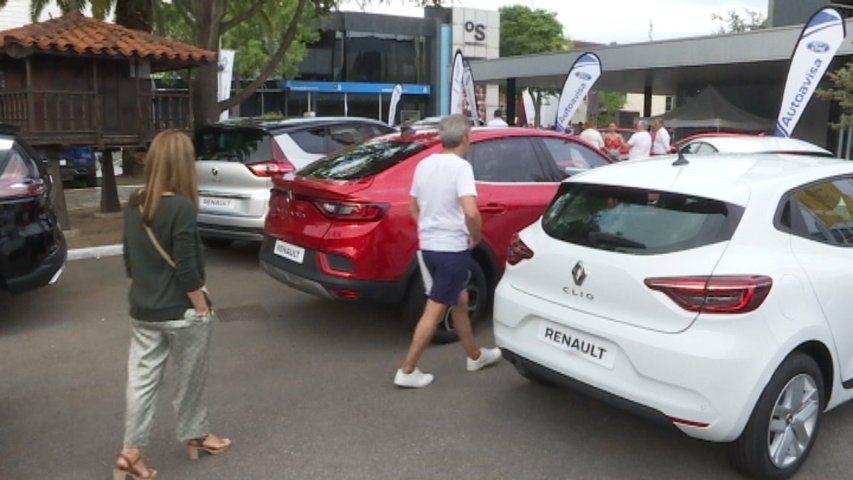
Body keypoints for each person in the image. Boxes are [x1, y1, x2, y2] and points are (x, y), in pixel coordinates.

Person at [114, 130, 231, 480]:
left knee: (141, 382)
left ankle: (131, 452)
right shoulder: (180, 206)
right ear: (184, 164)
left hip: (143, 310)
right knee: (189, 380)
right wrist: (201, 306)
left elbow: (130, 263)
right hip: (182, 313)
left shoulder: (135, 202)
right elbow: (187, 267)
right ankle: (196, 436)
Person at [395, 114, 502, 388]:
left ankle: (474, 355)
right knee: (434, 310)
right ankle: (407, 370)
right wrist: (475, 236)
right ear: (466, 138)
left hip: (429, 249)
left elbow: (412, 207)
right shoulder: (460, 167)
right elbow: (471, 211)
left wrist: (428, 228)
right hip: (451, 251)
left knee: (460, 300)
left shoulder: (424, 164)